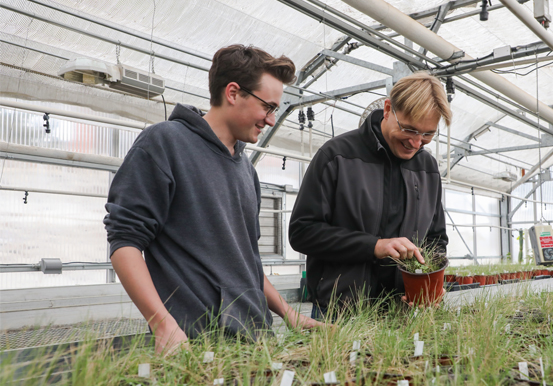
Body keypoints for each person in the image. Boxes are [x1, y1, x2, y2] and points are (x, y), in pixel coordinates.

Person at [104, 45, 320, 354]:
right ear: (233, 93)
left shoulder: (247, 170)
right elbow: (124, 241)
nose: (271, 120)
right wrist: (163, 324)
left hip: (257, 340)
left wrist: (289, 313)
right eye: (268, 107)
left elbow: (247, 262)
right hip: (196, 342)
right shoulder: (165, 143)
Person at [289, 72, 452, 318]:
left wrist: (427, 286)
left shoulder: (426, 168)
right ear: (388, 109)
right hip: (339, 311)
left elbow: (435, 240)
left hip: (403, 313)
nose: (416, 143)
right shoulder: (337, 157)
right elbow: (303, 232)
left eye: (428, 134)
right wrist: (374, 246)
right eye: (409, 129)